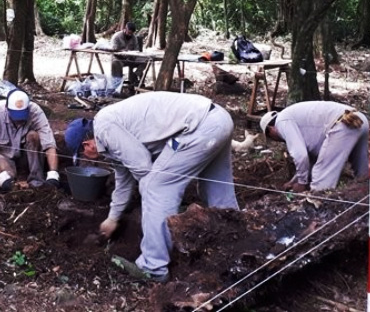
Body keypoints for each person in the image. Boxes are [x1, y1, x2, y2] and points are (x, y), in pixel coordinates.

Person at [64, 91, 239, 283]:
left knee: (155, 187)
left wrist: (156, 201)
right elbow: (124, 180)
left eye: (83, 153)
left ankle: (153, 267)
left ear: (86, 143)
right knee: (218, 191)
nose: (86, 158)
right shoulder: (109, 133)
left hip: (198, 127)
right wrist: (112, 218)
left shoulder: (105, 129)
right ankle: (237, 245)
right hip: (217, 119)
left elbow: (142, 166)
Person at [259, 101, 370, 192]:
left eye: (271, 137)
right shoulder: (293, 117)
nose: (276, 140)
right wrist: (295, 181)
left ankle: (321, 209)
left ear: (270, 129)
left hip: (344, 123)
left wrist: (302, 183)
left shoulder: (281, 122)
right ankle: (365, 196)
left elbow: (300, 155)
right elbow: (312, 159)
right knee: (362, 173)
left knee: (321, 182)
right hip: (359, 119)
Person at [0, 89, 61, 192]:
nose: (19, 120)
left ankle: (37, 182)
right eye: (15, 115)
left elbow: (49, 144)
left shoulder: (35, 111)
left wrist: (53, 174)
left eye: (22, 115)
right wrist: (2, 178)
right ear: (7, 109)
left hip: (24, 153)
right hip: (3, 154)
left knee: (34, 136)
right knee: (9, 179)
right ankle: (9, 179)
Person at [110, 21, 147, 88]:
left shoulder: (134, 37)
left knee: (145, 60)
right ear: (125, 29)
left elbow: (136, 49)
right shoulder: (116, 37)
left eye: (132, 33)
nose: (130, 35)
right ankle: (117, 87)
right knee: (115, 63)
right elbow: (113, 50)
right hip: (119, 59)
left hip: (130, 58)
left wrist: (133, 54)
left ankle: (135, 75)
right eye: (129, 33)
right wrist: (123, 52)